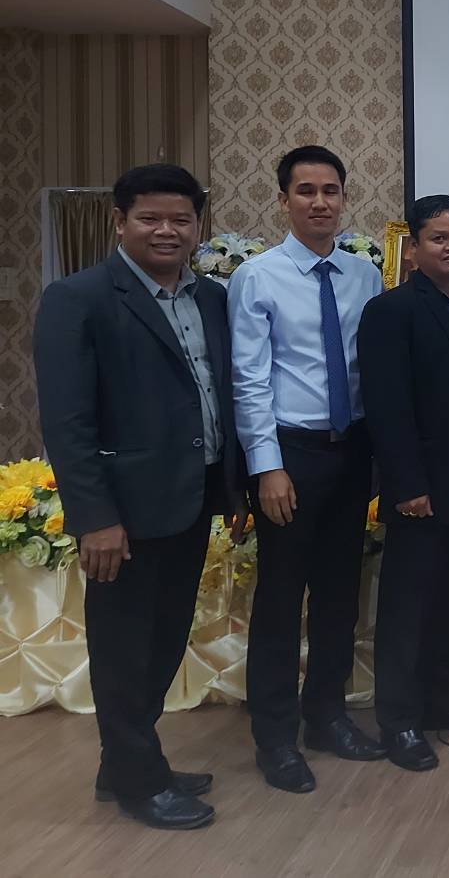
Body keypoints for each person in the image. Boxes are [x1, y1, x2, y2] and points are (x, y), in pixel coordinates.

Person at [33, 164, 241, 830]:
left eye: (181, 219)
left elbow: (218, 396)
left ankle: (123, 762)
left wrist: (231, 488)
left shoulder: (211, 297)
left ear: (198, 226)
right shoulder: (79, 297)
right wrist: (95, 517)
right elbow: (67, 422)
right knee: (124, 649)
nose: (167, 231)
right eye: (150, 218)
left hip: (192, 497)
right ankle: (138, 781)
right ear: (120, 221)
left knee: (164, 639)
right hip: (122, 512)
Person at [228, 145, 387, 792]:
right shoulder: (257, 277)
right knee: (280, 598)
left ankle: (326, 715)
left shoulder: (364, 275)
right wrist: (266, 468)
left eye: (330, 191)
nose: (320, 202)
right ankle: (274, 737)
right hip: (289, 456)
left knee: (338, 596)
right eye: (305, 191)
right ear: (283, 200)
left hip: (350, 452)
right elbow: (248, 379)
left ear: (344, 198)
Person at [358, 195, 449, 773]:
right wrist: (406, 484)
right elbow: (386, 406)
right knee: (408, 605)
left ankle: (445, 700)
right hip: (422, 488)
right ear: (413, 246)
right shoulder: (391, 311)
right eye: (439, 238)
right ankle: (399, 719)